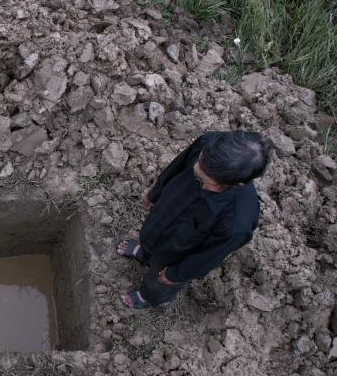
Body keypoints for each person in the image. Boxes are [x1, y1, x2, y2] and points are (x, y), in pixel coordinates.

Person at [116, 131, 271, 309]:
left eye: (206, 181)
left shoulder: (236, 223)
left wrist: (177, 274)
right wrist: (156, 193)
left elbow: (209, 256)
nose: (200, 184)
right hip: (162, 216)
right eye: (198, 168)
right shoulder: (207, 143)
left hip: (176, 253)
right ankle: (144, 253)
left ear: (237, 183)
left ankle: (150, 296)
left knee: (159, 279)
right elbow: (177, 166)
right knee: (150, 238)